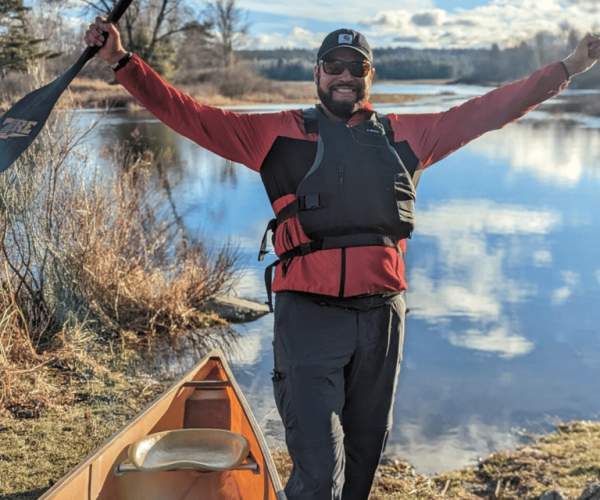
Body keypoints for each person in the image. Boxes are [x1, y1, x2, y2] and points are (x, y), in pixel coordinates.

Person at [85, 20, 599, 500]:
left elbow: (491, 109)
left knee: (362, 462)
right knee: (317, 470)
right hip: (308, 318)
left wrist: (568, 68)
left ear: (370, 76)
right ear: (317, 73)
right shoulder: (274, 135)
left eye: (358, 67)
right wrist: (123, 61)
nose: (346, 76)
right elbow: (189, 115)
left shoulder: (409, 134)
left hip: (382, 318)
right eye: (334, 65)